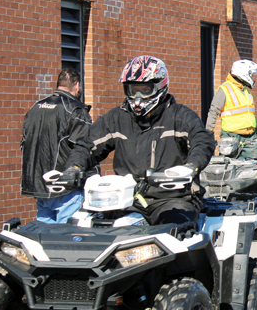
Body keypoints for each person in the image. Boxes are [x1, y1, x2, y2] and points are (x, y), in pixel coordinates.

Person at [65, 55, 216, 226]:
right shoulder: (116, 118)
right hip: (129, 200)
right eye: (132, 90)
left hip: (174, 199)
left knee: (175, 231)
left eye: (145, 90)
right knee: (97, 229)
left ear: (160, 86)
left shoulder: (180, 116)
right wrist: (73, 168)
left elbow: (202, 142)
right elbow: (87, 145)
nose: (137, 97)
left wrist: (190, 167)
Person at [21, 68, 92, 223]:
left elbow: (24, 144)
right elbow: (86, 149)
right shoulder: (75, 110)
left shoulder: (35, 108)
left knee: (44, 239)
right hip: (65, 188)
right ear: (77, 85)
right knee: (68, 239)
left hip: (40, 186)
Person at [205, 59, 257, 159]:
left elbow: (250, 114)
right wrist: (209, 132)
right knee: (229, 168)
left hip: (250, 138)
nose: (252, 78)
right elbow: (213, 112)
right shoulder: (224, 89)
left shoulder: (246, 92)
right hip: (231, 138)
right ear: (244, 73)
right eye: (251, 74)